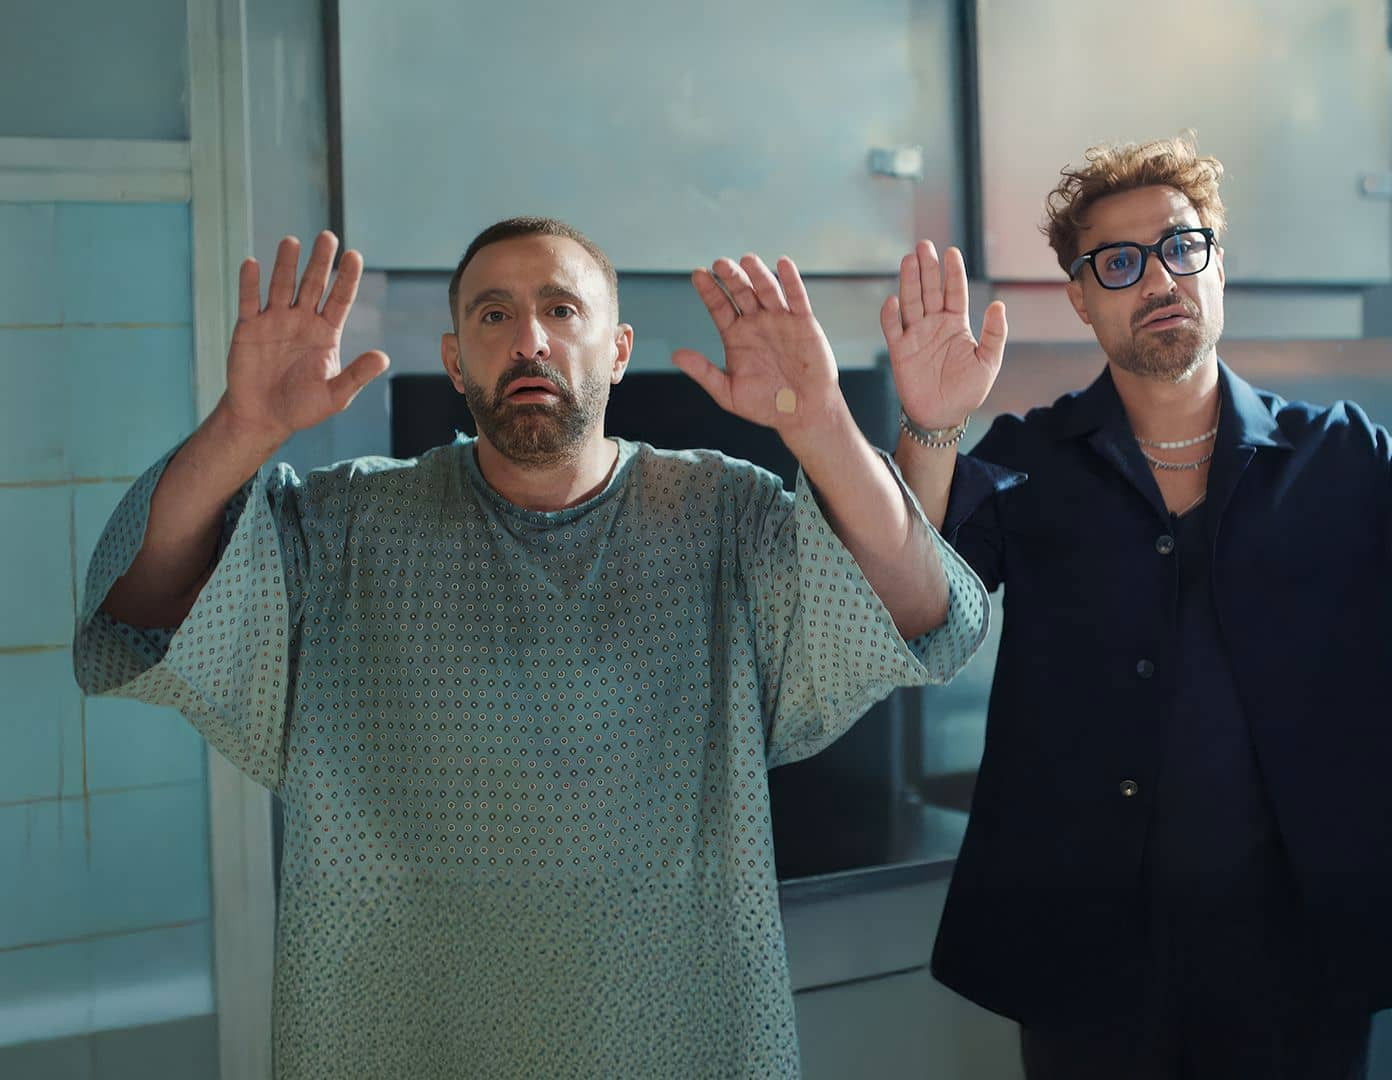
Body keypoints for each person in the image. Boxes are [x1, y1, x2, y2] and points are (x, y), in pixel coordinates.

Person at [73, 216, 987, 1078]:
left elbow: (918, 613)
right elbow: (144, 611)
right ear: (454, 359)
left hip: (680, 1031)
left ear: (617, 350)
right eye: (493, 315)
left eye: (561, 308)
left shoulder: (720, 514)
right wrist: (244, 428)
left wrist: (820, 422)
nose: (529, 340)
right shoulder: (346, 523)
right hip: (392, 1034)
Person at [882, 135, 1392, 1078]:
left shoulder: (1340, 458)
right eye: (1119, 263)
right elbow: (910, 609)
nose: (1160, 279)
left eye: (1181, 247)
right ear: (1080, 298)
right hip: (1085, 952)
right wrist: (930, 427)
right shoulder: (1028, 460)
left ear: (1218, 267)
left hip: (1303, 955)